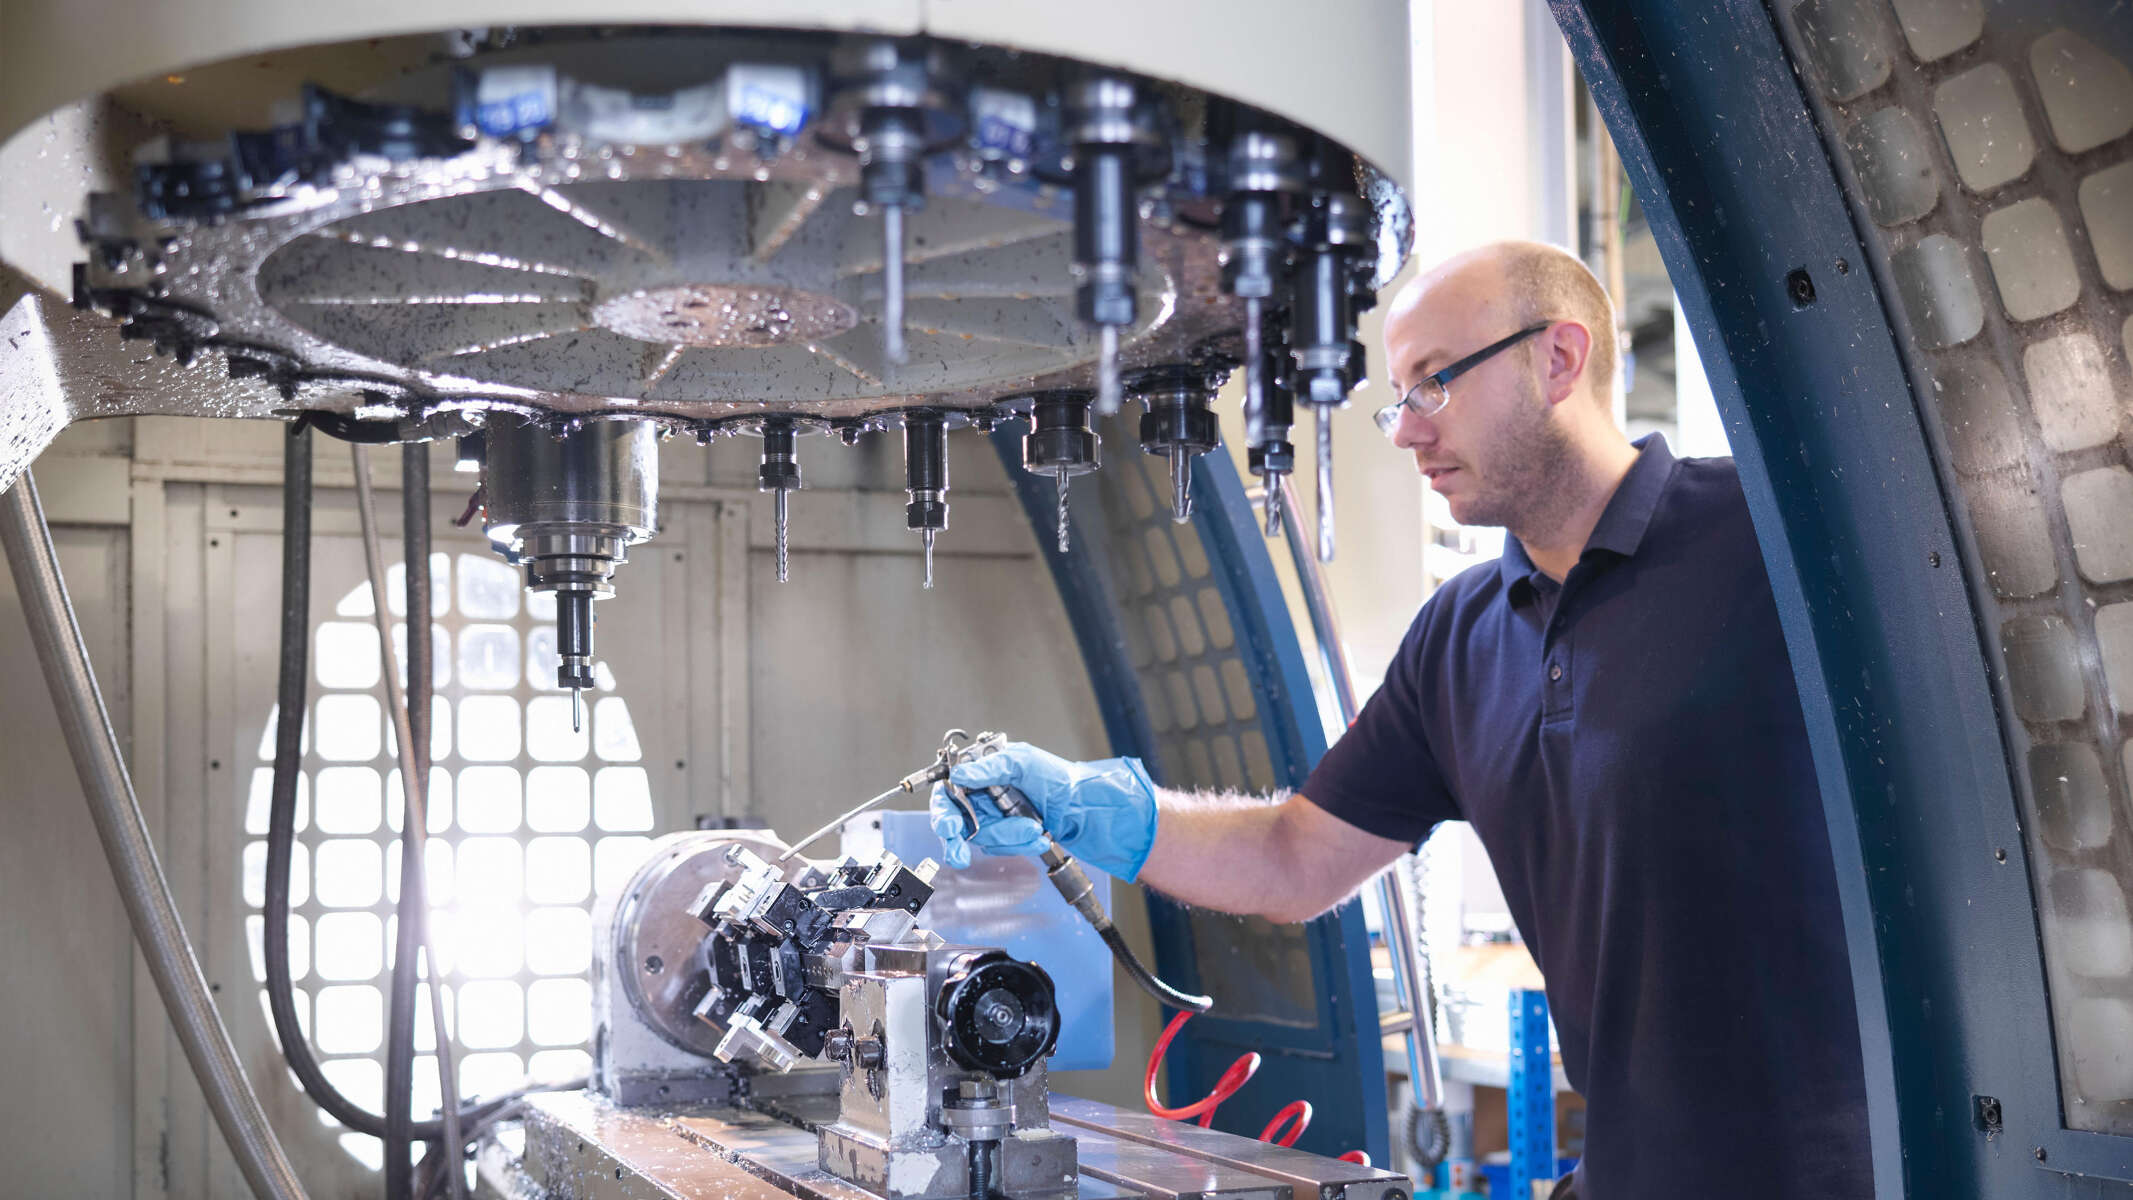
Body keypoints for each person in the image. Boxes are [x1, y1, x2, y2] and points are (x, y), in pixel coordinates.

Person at [932, 241, 1873, 1199]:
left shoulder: (1773, 540)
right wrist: (1096, 810)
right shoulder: (1459, 638)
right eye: (1397, 396)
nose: (1403, 430)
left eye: (1433, 383)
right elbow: (1295, 860)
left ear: (1558, 358)